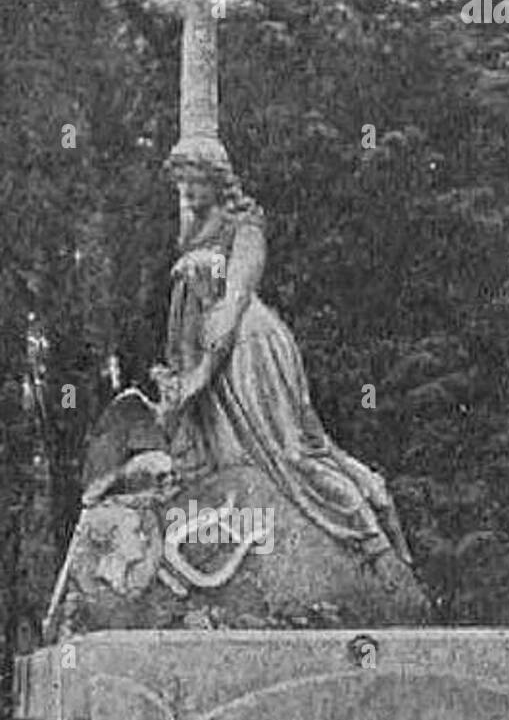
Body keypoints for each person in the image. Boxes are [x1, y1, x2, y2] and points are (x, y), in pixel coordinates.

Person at [152, 139, 413, 566]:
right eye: (182, 181)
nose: (187, 190)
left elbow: (233, 301)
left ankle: (373, 540)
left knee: (296, 453)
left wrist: (200, 373)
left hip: (250, 348)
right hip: (219, 358)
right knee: (237, 461)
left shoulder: (245, 227)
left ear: (218, 180)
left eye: (195, 180)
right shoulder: (193, 229)